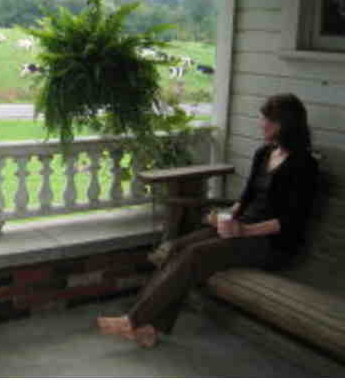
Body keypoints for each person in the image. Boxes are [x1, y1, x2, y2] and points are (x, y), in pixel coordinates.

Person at [97, 93, 319, 348]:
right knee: (178, 247)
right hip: (242, 229)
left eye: (269, 120)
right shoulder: (264, 153)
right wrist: (225, 217)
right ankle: (149, 328)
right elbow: (246, 197)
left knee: (196, 255)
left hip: (272, 243)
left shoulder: (304, 165)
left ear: (286, 125)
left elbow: (291, 221)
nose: (262, 124)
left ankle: (133, 321)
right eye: (264, 119)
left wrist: (244, 230)